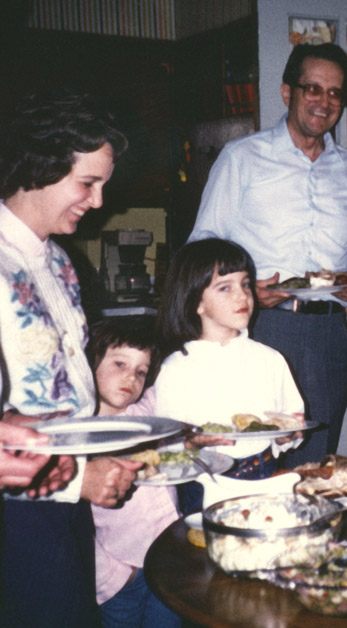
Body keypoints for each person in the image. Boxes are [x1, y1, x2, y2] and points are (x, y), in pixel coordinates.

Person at [189, 43, 347, 467]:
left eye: (335, 93)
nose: (323, 102)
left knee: (316, 465)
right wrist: (249, 288)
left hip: (329, 335)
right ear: (287, 92)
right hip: (259, 326)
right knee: (255, 455)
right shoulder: (243, 158)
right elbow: (203, 245)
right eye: (313, 88)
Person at [0, 88, 141, 627]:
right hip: (19, 510)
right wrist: (74, 479)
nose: (100, 201)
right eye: (87, 183)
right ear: (39, 167)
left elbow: (69, 385)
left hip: (67, 495)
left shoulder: (60, 261)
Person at [154, 238, 304, 484]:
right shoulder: (176, 369)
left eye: (245, 284)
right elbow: (166, 448)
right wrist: (189, 443)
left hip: (265, 474)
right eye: (225, 287)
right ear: (196, 302)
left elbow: (292, 418)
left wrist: (286, 436)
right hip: (205, 481)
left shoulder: (271, 359)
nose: (242, 296)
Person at [87, 318, 181, 628]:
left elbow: (177, 380)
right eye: (119, 364)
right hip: (122, 577)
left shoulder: (145, 411)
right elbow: (76, 527)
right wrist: (114, 577)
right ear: (89, 363)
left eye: (141, 371)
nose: (131, 377)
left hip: (168, 562)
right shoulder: (79, 437)